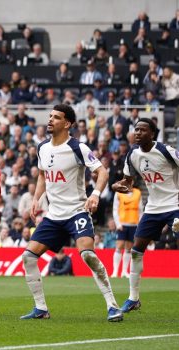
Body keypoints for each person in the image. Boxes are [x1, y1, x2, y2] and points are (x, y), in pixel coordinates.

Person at [22, 104, 122, 322]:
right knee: (28, 257)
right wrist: (37, 199)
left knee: (87, 254)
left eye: (56, 117)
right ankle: (40, 308)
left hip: (77, 212)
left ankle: (112, 306)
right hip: (53, 216)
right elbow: (41, 175)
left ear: (67, 123)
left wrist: (95, 194)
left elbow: (102, 172)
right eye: (49, 116)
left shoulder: (78, 147)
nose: (50, 120)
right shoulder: (42, 148)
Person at [112, 118, 179, 314]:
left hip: (174, 203)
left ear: (152, 133)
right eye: (136, 130)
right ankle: (133, 298)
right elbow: (128, 182)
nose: (137, 133)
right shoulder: (133, 154)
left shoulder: (166, 151)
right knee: (136, 250)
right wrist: (119, 186)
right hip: (153, 208)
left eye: (142, 130)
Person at [112, 184, 141, 278]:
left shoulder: (138, 193)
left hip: (134, 223)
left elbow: (141, 209)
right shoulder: (118, 193)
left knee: (129, 248)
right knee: (119, 246)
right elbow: (115, 209)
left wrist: (140, 223)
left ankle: (124, 271)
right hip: (122, 224)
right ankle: (115, 271)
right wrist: (117, 224)